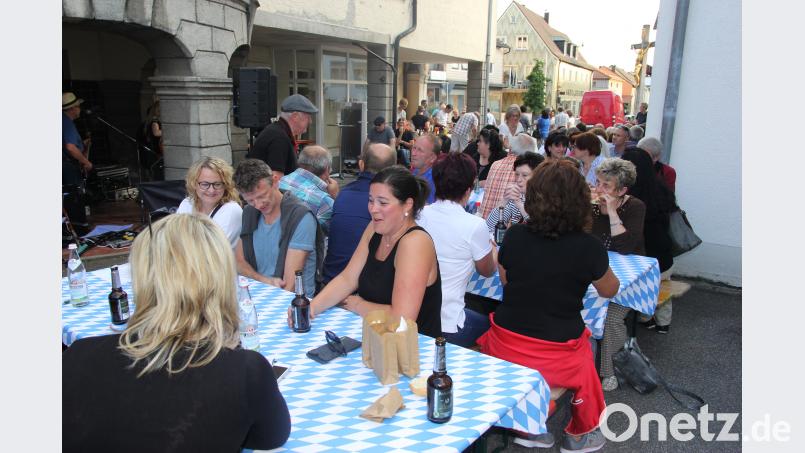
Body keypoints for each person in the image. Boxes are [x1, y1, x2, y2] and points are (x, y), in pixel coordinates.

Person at [63, 214, 291, 452]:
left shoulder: (77, 354)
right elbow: (271, 438)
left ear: (143, 277)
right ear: (220, 279)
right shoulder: (245, 372)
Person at [476, 160, 619, 452]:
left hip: (505, 340)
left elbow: (506, 281)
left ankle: (531, 425)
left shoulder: (514, 236)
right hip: (558, 350)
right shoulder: (588, 247)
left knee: (578, 345)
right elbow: (610, 288)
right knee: (588, 348)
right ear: (579, 201)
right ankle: (579, 435)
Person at [298, 166, 443, 338]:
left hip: (412, 349)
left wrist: (359, 305)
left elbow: (403, 319)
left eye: (382, 202)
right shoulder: (374, 229)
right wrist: (311, 307)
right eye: (371, 200)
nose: (373, 209)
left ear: (408, 205)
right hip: (376, 337)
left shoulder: (415, 243)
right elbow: (348, 278)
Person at [417, 153, 496, 346]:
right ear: (469, 190)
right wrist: (492, 247)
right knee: (493, 325)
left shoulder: (419, 215)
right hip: (448, 325)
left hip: (416, 316)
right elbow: (487, 271)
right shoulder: (475, 225)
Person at [590, 158, 646, 392]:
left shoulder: (635, 207)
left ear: (622, 190)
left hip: (630, 278)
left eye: (606, 186)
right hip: (596, 270)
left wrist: (612, 212)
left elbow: (624, 247)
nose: (598, 189)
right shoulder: (591, 204)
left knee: (611, 317)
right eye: (598, 183)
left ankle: (608, 371)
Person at [234, 159, 322, 297]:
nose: (258, 205)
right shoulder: (249, 212)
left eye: (262, 196)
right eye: (250, 200)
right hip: (258, 292)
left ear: (275, 181)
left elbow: (290, 285)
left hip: (293, 300)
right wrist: (263, 280)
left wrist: (260, 282)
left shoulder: (300, 217)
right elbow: (238, 261)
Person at [322, 143, 397, 284]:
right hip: (363, 288)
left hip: (330, 279)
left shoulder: (343, 195)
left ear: (361, 164)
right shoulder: (392, 203)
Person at [621, 148, 676, 334]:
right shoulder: (660, 187)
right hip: (664, 255)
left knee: (645, 289)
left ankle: (645, 317)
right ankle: (663, 323)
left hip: (644, 259)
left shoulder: (631, 197)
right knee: (663, 288)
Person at [248, 94, 318, 182]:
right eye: (308, 117)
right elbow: (276, 180)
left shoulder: (277, 132)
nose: (310, 122)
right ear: (295, 116)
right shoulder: (279, 138)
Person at [176, 157, 243, 248]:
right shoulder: (187, 203)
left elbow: (209, 251)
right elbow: (174, 238)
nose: (211, 190)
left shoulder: (232, 210)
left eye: (217, 184)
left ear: (226, 185)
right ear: (194, 183)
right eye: (205, 184)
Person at [278, 145, 339, 234]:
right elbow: (335, 232)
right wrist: (335, 197)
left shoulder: (281, 181)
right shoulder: (324, 201)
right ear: (326, 169)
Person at [478, 133, 536, 218]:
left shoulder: (496, 164)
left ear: (511, 147)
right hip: (503, 225)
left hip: (484, 220)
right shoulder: (524, 168)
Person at [485, 152, 544, 233]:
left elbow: (540, 230)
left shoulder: (546, 199)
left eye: (524, 175)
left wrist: (520, 206)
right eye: (516, 174)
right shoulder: (517, 198)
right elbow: (489, 227)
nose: (518, 180)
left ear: (538, 176)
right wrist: (504, 200)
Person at [62, 92, 92, 185]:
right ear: (72, 108)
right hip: (69, 166)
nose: (80, 109)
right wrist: (86, 162)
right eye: (78, 106)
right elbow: (70, 147)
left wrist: (82, 144)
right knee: (75, 196)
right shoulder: (67, 123)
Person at [410, 134, 440, 204]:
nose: (413, 153)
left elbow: (427, 210)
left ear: (432, 158)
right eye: (414, 148)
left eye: (420, 150)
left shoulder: (434, 181)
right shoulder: (416, 170)